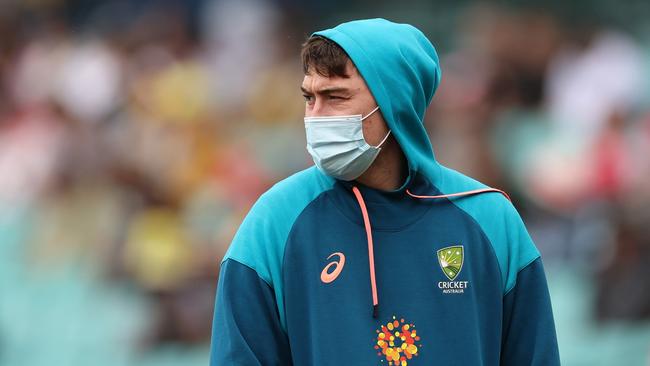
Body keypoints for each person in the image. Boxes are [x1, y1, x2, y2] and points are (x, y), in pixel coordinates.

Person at [209, 18, 560, 366]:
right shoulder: (275, 220)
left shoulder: (490, 218)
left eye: (335, 97)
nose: (315, 116)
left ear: (396, 104)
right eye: (309, 97)